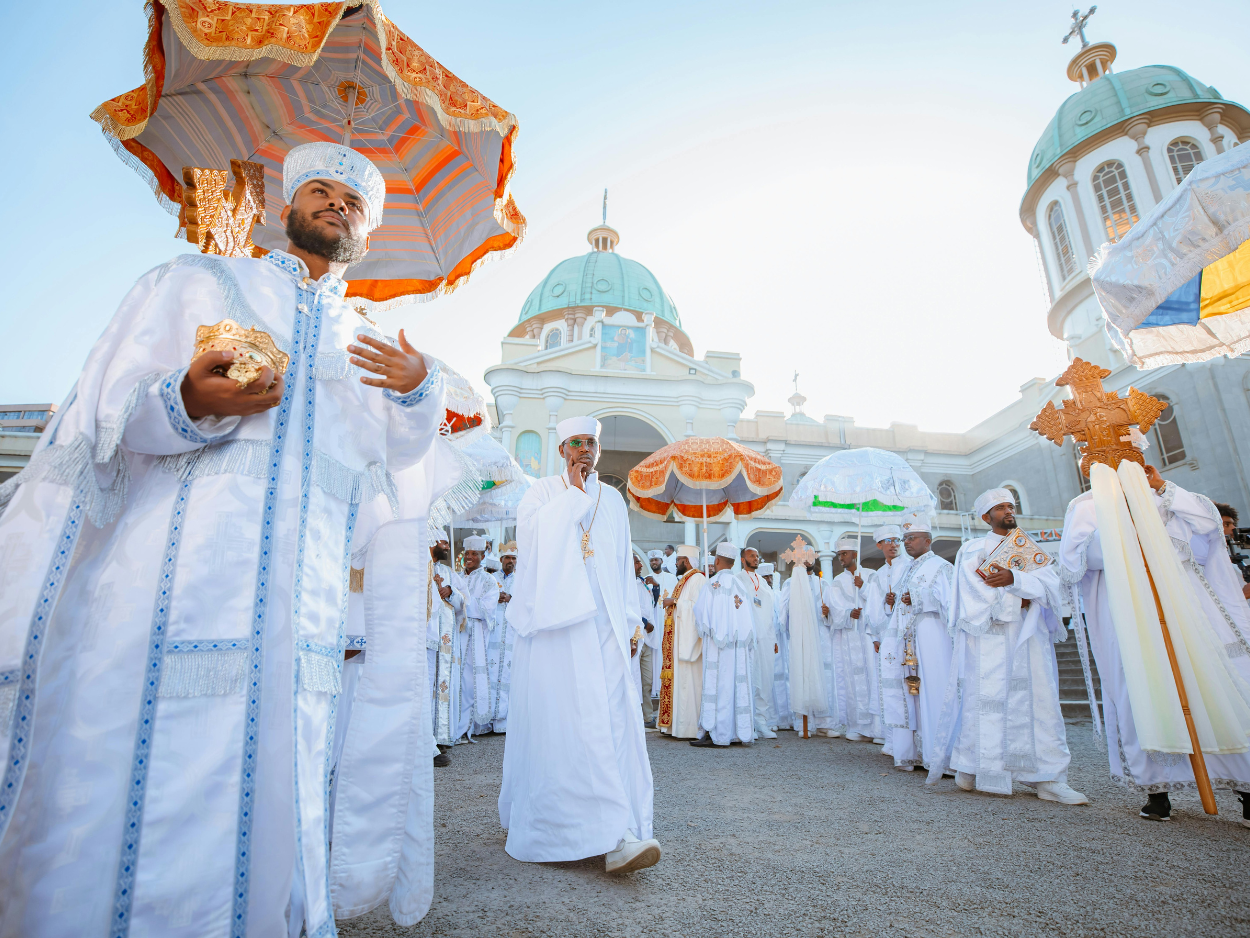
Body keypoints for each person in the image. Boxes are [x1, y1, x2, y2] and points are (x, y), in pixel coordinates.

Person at [0, 142, 446, 936]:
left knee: (288, 786)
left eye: (354, 201)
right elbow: (106, 414)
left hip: (300, 619)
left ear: (367, 233)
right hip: (177, 598)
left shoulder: (368, 339)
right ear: (287, 205)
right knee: (160, 787)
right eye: (320, 188)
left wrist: (417, 397)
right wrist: (184, 397)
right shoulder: (201, 281)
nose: (336, 203)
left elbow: (395, 469)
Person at [499, 416, 658, 873]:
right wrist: (571, 496)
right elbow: (534, 551)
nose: (584, 450)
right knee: (567, 725)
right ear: (562, 449)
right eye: (576, 443)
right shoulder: (541, 494)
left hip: (607, 629)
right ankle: (575, 829)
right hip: (558, 631)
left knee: (612, 723)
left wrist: (631, 622)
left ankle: (621, 830)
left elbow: (619, 565)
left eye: (592, 443)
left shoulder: (612, 500)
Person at [1061, 465, 1250, 824]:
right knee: (1143, 692)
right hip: (1131, 614)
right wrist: (1126, 539)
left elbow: (1208, 530)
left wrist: (1163, 488)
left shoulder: (1167, 496)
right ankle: (1157, 790)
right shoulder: (1087, 505)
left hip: (1186, 610)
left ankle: (1245, 786)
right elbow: (1074, 562)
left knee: (1212, 686)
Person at [926, 489, 1088, 805]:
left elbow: (1050, 586)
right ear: (986, 517)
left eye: (1010, 506)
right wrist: (1020, 595)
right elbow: (974, 594)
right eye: (1000, 508)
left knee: (1039, 703)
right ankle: (975, 767)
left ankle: (1049, 778)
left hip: (1029, 639)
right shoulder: (973, 551)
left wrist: (1014, 578)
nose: (1008, 511)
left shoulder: (1031, 548)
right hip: (990, 641)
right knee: (987, 701)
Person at [878, 516, 954, 771]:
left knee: (933, 691)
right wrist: (892, 602)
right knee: (911, 694)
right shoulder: (907, 569)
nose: (907, 542)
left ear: (928, 541)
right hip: (908, 643)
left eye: (912, 538)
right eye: (905, 538)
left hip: (932, 638)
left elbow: (951, 606)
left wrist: (919, 599)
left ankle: (938, 756)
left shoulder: (941, 567)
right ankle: (914, 753)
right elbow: (901, 606)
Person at [691, 543, 758, 747]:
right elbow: (748, 620)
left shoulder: (712, 585)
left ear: (717, 561)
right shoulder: (740, 586)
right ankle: (735, 732)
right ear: (734, 562)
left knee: (718, 687)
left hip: (716, 647)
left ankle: (717, 734)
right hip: (737, 649)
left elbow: (700, 615)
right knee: (734, 687)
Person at [779, 538, 837, 737]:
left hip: (821, 635)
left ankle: (824, 722)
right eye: (805, 556)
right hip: (801, 636)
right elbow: (783, 611)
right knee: (802, 673)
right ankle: (804, 723)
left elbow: (833, 613)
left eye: (811, 556)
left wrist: (828, 613)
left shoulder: (823, 582)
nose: (808, 560)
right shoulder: (790, 583)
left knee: (824, 676)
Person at [826, 534, 880, 742]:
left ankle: (876, 729)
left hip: (867, 635)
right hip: (849, 636)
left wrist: (864, 587)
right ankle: (856, 726)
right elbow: (834, 608)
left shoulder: (870, 575)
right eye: (839, 554)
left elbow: (880, 601)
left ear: (855, 555)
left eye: (845, 554)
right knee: (851, 680)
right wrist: (849, 613)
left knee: (871, 677)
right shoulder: (837, 582)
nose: (841, 558)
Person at [863, 525, 911, 752]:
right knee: (889, 687)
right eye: (888, 540)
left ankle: (912, 742)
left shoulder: (911, 566)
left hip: (908, 635)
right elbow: (873, 608)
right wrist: (874, 634)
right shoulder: (878, 576)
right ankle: (892, 739)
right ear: (879, 545)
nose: (893, 544)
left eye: (896, 540)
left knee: (909, 685)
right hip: (887, 638)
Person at [659, 545, 708, 739]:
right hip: (677, 642)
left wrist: (676, 602)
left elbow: (698, 610)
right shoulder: (686, 579)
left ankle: (687, 727)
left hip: (687, 644)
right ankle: (673, 726)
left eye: (678, 560)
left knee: (688, 685)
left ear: (686, 561)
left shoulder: (699, 579)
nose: (676, 563)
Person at [457, 535, 501, 737]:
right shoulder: (456, 577)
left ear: (483, 556)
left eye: (474, 554)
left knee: (468, 683)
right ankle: (452, 727)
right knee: (454, 681)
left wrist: (459, 600)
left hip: (474, 638)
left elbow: (486, 609)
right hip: (455, 636)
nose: (469, 557)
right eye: (467, 553)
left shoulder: (489, 581)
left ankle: (466, 728)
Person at [428, 536, 463, 763]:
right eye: (443, 542)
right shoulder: (419, 565)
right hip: (427, 636)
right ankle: (426, 740)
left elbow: (462, 600)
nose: (448, 547)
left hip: (445, 640)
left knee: (442, 684)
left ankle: (440, 737)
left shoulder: (449, 573)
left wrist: (450, 592)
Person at [740, 547, 778, 739]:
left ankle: (762, 722)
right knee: (749, 679)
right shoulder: (738, 580)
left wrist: (774, 638)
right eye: (752, 556)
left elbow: (770, 612)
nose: (755, 559)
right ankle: (747, 723)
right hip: (748, 638)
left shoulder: (763, 582)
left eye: (757, 556)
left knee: (764, 679)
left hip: (766, 638)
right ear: (742, 559)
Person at [644, 549, 677, 710]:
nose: (654, 562)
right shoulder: (646, 580)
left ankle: (665, 686)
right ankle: (654, 689)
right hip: (654, 622)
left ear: (662, 562)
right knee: (653, 653)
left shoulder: (671, 578)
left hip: (668, 621)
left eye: (656, 560)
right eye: (652, 561)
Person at [492, 542, 518, 733]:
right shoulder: (491, 579)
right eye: (507, 558)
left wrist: (511, 599)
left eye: (513, 558)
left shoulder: (522, 581)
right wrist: (495, 597)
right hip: (493, 635)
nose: (510, 561)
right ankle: (489, 719)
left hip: (512, 636)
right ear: (501, 560)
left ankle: (505, 722)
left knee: (510, 675)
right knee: (492, 673)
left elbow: (527, 604)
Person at [634, 553, 659, 727]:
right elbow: (629, 607)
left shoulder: (642, 582)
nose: (640, 565)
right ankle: (637, 716)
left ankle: (647, 716)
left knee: (647, 680)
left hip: (648, 639)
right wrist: (644, 623)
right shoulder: (626, 584)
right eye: (637, 562)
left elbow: (652, 605)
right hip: (635, 637)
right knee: (634, 678)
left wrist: (656, 588)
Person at [1215, 502, 1250, 602]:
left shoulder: (1235, 563)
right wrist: (1243, 595)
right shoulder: (1206, 562)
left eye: (1233, 524)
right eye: (1226, 524)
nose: (1233, 528)